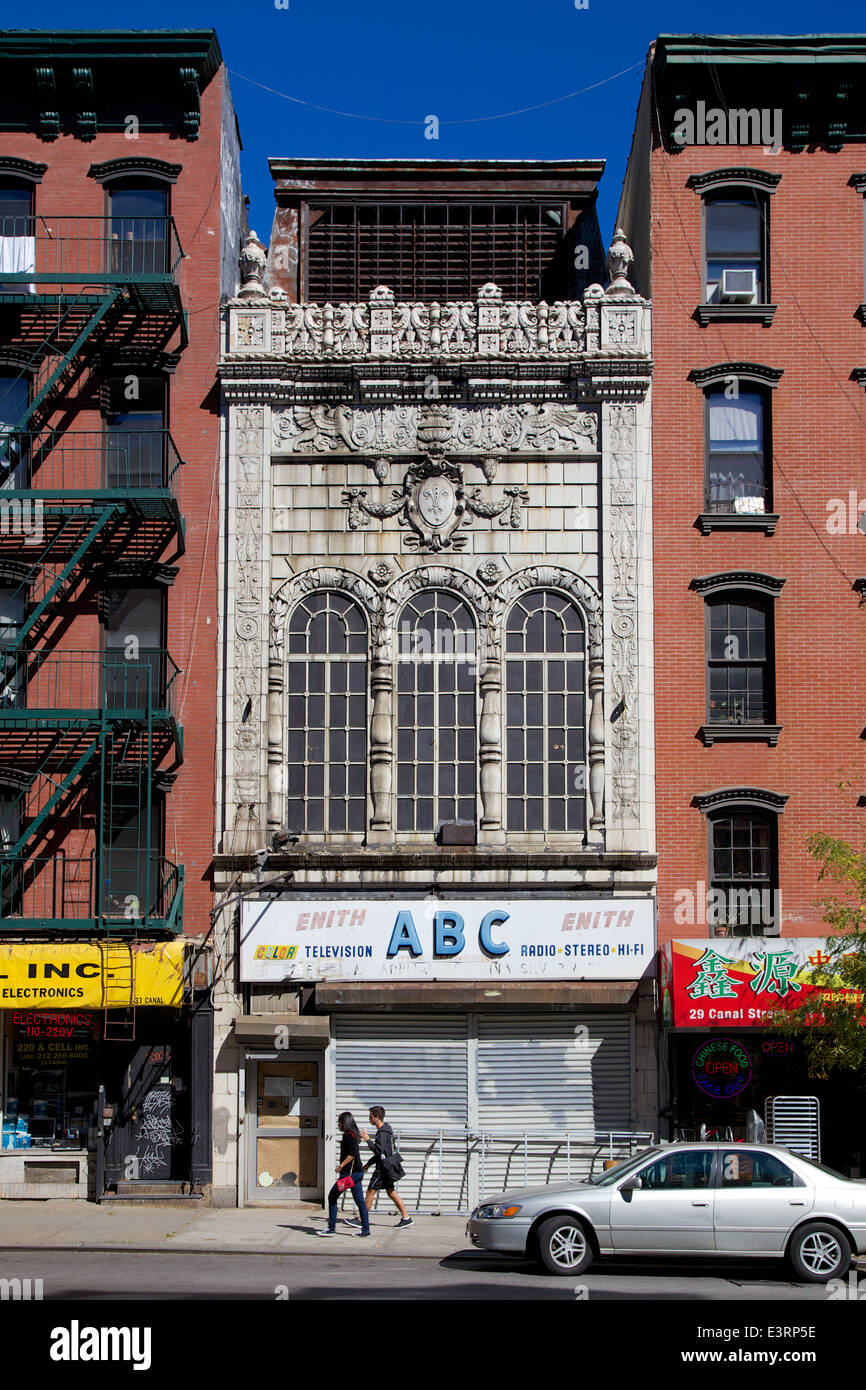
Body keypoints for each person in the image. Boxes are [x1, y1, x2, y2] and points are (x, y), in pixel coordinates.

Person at [351, 1105, 413, 1229]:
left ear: (377, 1117)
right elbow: (382, 1153)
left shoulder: (382, 1133)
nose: (369, 1119)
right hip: (387, 1166)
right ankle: (406, 1217)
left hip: (382, 1170)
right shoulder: (386, 1131)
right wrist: (369, 1163)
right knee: (391, 1192)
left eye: (371, 1117)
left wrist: (368, 1140)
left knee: (370, 1191)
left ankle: (361, 1219)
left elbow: (379, 1152)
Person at [318, 1110, 370, 1237]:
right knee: (361, 1203)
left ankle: (331, 1228)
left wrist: (341, 1166)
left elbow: (351, 1154)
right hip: (357, 1174)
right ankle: (365, 1230)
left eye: (339, 1122)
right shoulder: (354, 1134)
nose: (338, 1125)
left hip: (349, 1176)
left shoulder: (348, 1135)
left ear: (344, 1123)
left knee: (332, 1197)